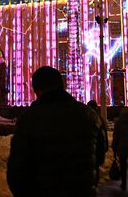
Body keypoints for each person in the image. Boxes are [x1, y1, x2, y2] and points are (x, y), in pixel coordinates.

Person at [7, 66, 106, 197]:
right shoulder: (90, 115)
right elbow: (99, 156)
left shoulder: (28, 120)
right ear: (62, 85)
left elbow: (16, 171)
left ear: (37, 90)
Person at [87, 100, 109, 186]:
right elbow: (104, 135)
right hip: (98, 150)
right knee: (95, 170)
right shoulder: (99, 119)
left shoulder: (87, 119)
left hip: (90, 150)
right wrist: (105, 146)